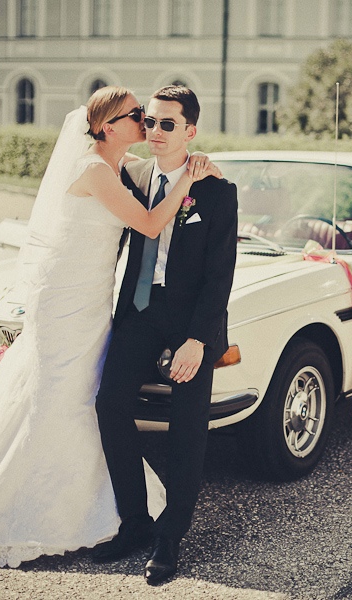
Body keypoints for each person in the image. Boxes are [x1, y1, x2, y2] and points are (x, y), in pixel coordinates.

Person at [0, 86, 219, 568]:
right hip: (67, 299)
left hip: (94, 301)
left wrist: (198, 167)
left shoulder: (124, 167)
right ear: (107, 125)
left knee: (82, 399)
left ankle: (96, 509)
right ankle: (33, 511)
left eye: (155, 118)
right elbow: (146, 224)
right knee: (62, 397)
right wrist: (187, 183)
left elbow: (163, 171)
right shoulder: (94, 169)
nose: (147, 123)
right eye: (138, 116)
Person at [92, 85, 238, 585]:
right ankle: (133, 522)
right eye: (149, 122)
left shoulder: (218, 190)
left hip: (190, 321)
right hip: (138, 309)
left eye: (167, 124)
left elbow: (221, 273)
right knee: (109, 404)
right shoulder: (132, 175)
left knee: (187, 426)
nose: (155, 131)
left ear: (190, 131)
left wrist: (198, 339)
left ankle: (170, 535)